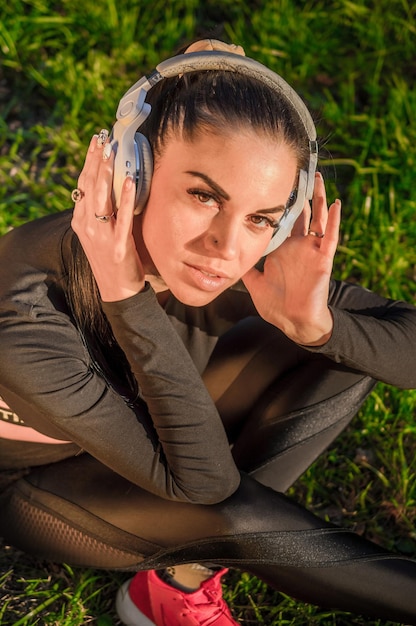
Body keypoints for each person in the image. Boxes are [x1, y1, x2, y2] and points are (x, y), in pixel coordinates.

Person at [0, 38, 415, 626]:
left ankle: (175, 584)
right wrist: (128, 297)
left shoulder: (231, 265)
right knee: (229, 517)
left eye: (260, 219)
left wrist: (316, 326)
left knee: (343, 349)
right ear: (132, 173)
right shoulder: (24, 310)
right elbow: (206, 486)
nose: (226, 247)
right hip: (35, 485)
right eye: (202, 195)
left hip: (158, 427)